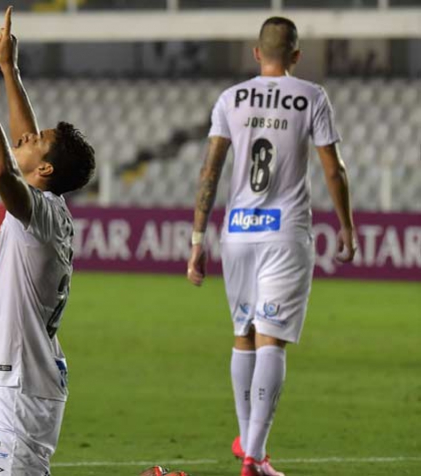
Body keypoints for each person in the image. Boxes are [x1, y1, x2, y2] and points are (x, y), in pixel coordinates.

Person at [186, 17, 356, 476]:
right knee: (271, 340)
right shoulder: (311, 96)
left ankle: (252, 450)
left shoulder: (231, 99)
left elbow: (209, 172)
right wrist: (347, 226)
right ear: (296, 57)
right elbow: (333, 169)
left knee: (243, 335)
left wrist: (198, 239)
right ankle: (255, 457)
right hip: (284, 232)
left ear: (256, 53)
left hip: (237, 233)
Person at [0, 8, 96, 475]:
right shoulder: (52, 210)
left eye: (38, 140)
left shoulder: (37, 212)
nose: (26, 137)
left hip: (18, 383)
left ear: (45, 170)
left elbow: (0, 167)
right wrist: (8, 68)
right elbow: (21, 143)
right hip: (30, 379)